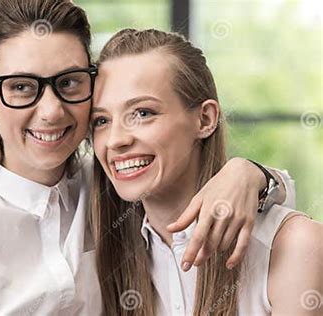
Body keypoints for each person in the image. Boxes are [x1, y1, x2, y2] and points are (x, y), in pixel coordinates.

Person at [0, 1, 295, 315]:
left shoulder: (111, 185)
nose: (51, 110)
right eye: (21, 87)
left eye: (68, 82)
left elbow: (267, 202)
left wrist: (249, 174)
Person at [91, 28, 322, 316]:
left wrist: (249, 171)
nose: (115, 140)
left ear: (205, 119)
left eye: (143, 113)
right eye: (101, 120)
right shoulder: (99, 249)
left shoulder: (294, 246)